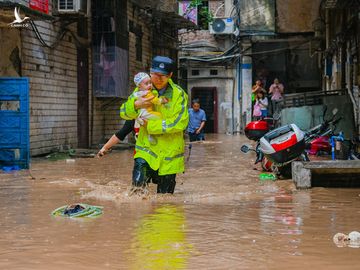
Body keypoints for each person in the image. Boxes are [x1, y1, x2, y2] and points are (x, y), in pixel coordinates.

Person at [120, 56, 189, 194]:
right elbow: (124, 113)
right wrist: (135, 105)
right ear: (150, 72)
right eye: (154, 74)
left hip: (169, 158)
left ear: (170, 75)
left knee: (165, 201)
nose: (157, 79)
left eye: (162, 76)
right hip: (146, 151)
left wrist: (150, 125)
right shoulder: (141, 89)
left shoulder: (179, 95)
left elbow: (180, 123)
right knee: (137, 192)